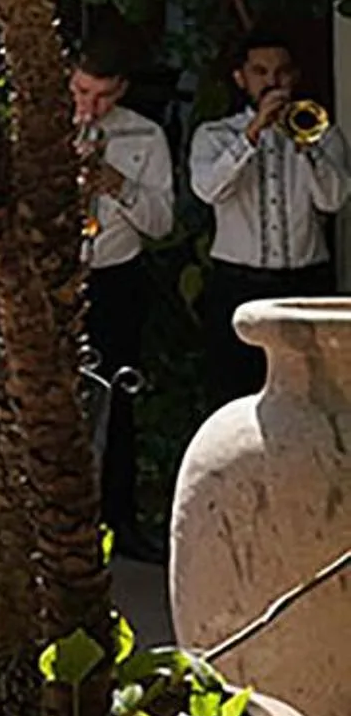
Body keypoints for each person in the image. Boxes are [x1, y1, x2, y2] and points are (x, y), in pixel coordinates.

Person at [189, 30, 347, 409]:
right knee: (234, 398)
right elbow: (208, 191)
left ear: (294, 77)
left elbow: (333, 200)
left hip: (305, 282)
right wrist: (252, 134)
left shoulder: (323, 134)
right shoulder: (214, 135)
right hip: (236, 283)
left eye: (281, 72)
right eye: (260, 71)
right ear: (241, 78)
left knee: (312, 399)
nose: (272, 81)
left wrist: (305, 148)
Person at [71, 44, 175, 557]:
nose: (91, 107)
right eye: (83, 92)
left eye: (104, 96)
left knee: (118, 401)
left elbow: (161, 224)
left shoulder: (144, 135)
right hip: (56, 279)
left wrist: (115, 183)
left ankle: (120, 519)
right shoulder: (45, 126)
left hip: (116, 277)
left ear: (122, 91)